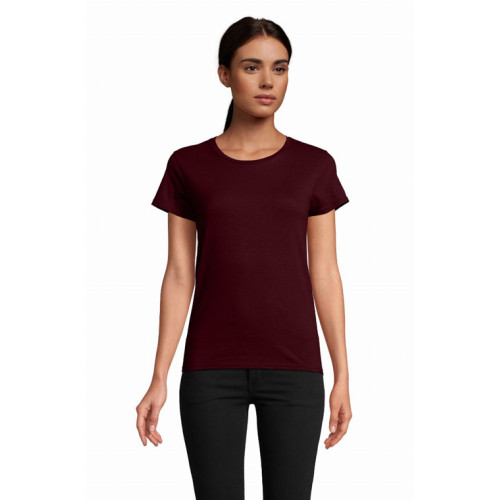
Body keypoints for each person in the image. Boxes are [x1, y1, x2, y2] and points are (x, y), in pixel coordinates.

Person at [136, 16, 353, 500]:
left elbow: (325, 273)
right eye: (252, 67)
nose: (267, 81)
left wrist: (342, 375)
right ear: (224, 74)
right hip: (209, 370)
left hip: (296, 369)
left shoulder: (314, 165)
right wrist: (158, 377)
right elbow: (179, 275)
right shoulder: (188, 164)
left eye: (280, 68)